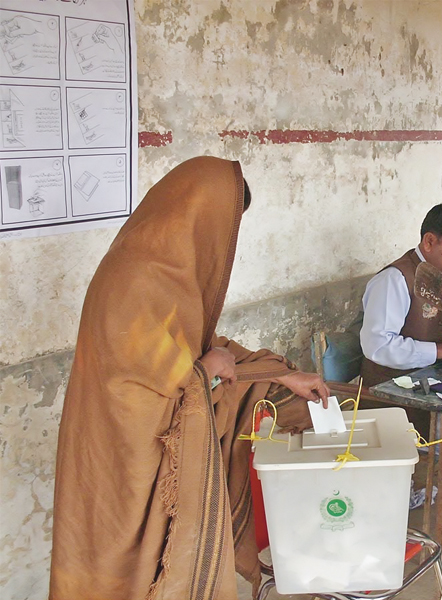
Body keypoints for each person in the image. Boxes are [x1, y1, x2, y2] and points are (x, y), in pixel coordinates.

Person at [49, 157, 330, 600]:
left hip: (151, 444)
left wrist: (282, 375)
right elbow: (145, 370)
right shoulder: (133, 276)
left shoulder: (167, 271)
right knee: (115, 568)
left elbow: (202, 343)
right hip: (122, 452)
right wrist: (200, 371)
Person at [360, 201, 442, 547]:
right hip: (393, 397)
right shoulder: (395, 279)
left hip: (434, 386)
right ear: (429, 242)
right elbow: (377, 346)